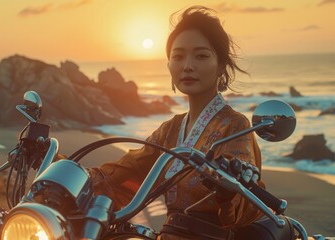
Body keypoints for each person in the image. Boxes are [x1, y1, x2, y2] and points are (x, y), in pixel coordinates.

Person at [88, 6, 264, 240]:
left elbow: (245, 194)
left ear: (221, 65)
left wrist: (230, 183)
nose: (187, 65)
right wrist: (68, 174)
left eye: (201, 55)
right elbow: (126, 171)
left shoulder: (234, 126)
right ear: (169, 65)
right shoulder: (170, 129)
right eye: (178, 56)